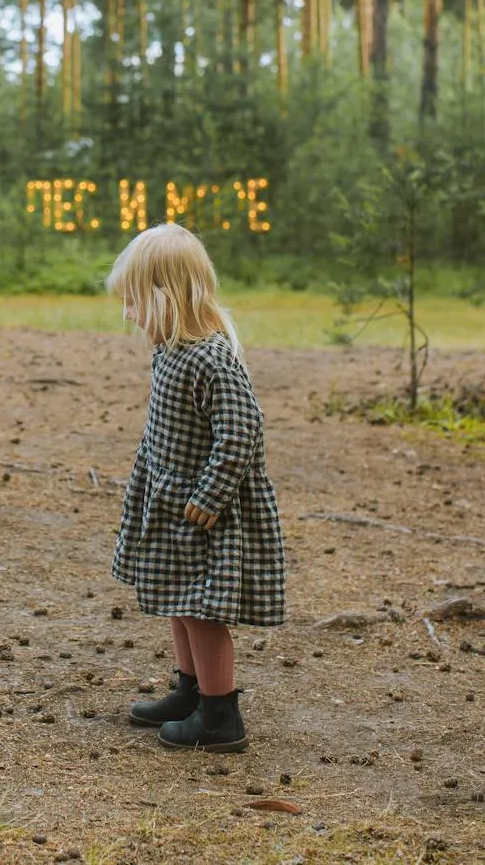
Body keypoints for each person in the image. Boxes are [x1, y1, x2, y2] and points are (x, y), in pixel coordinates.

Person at [109, 223, 285, 751]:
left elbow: (242, 431)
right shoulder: (170, 350)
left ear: (167, 296)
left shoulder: (210, 358)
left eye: (135, 301)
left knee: (203, 610)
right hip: (170, 499)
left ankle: (219, 717)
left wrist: (209, 495)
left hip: (205, 511)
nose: (129, 313)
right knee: (178, 599)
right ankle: (190, 691)